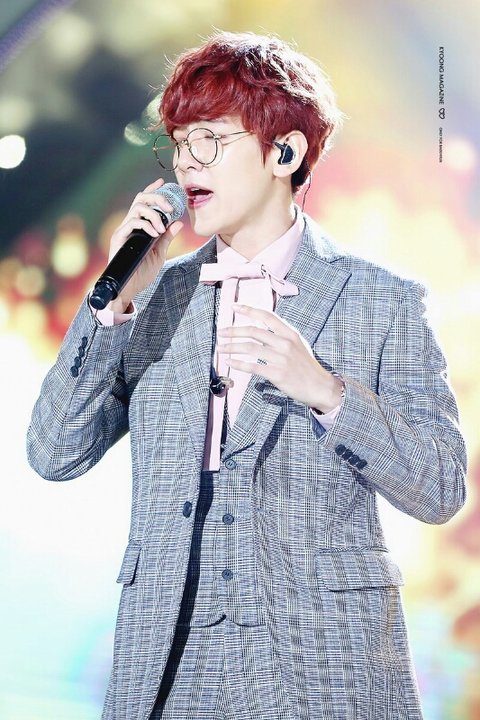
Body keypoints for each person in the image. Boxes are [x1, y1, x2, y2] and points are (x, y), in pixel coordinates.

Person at [27, 31, 467, 720]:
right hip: (170, 665)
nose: (185, 163)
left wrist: (327, 392)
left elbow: (441, 487)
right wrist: (111, 308)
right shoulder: (154, 297)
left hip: (328, 666)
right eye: (179, 143)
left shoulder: (383, 301)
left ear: (284, 153)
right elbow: (54, 453)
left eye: (209, 140)